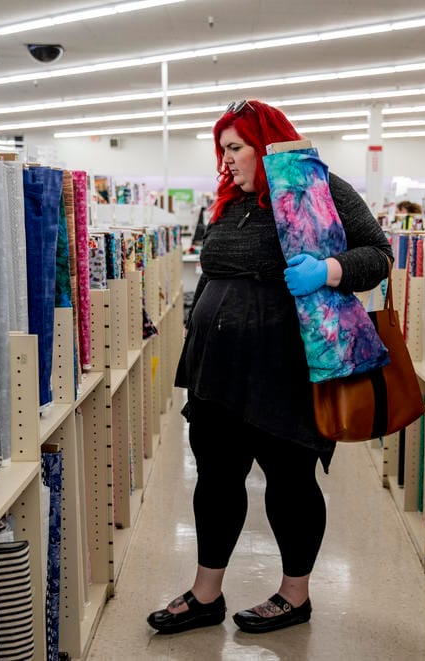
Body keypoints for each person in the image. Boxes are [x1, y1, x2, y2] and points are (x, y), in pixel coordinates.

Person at [147, 100, 393, 635]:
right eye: (222, 149)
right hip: (218, 371)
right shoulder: (230, 204)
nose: (226, 160)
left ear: (268, 144)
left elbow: (377, 256)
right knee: (215, 481)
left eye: (234, 148)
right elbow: (214, 274)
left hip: (284, 370)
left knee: (289, 481)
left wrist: (328, 270)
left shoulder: (319, 189)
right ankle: (206, 594)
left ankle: (294, 595)